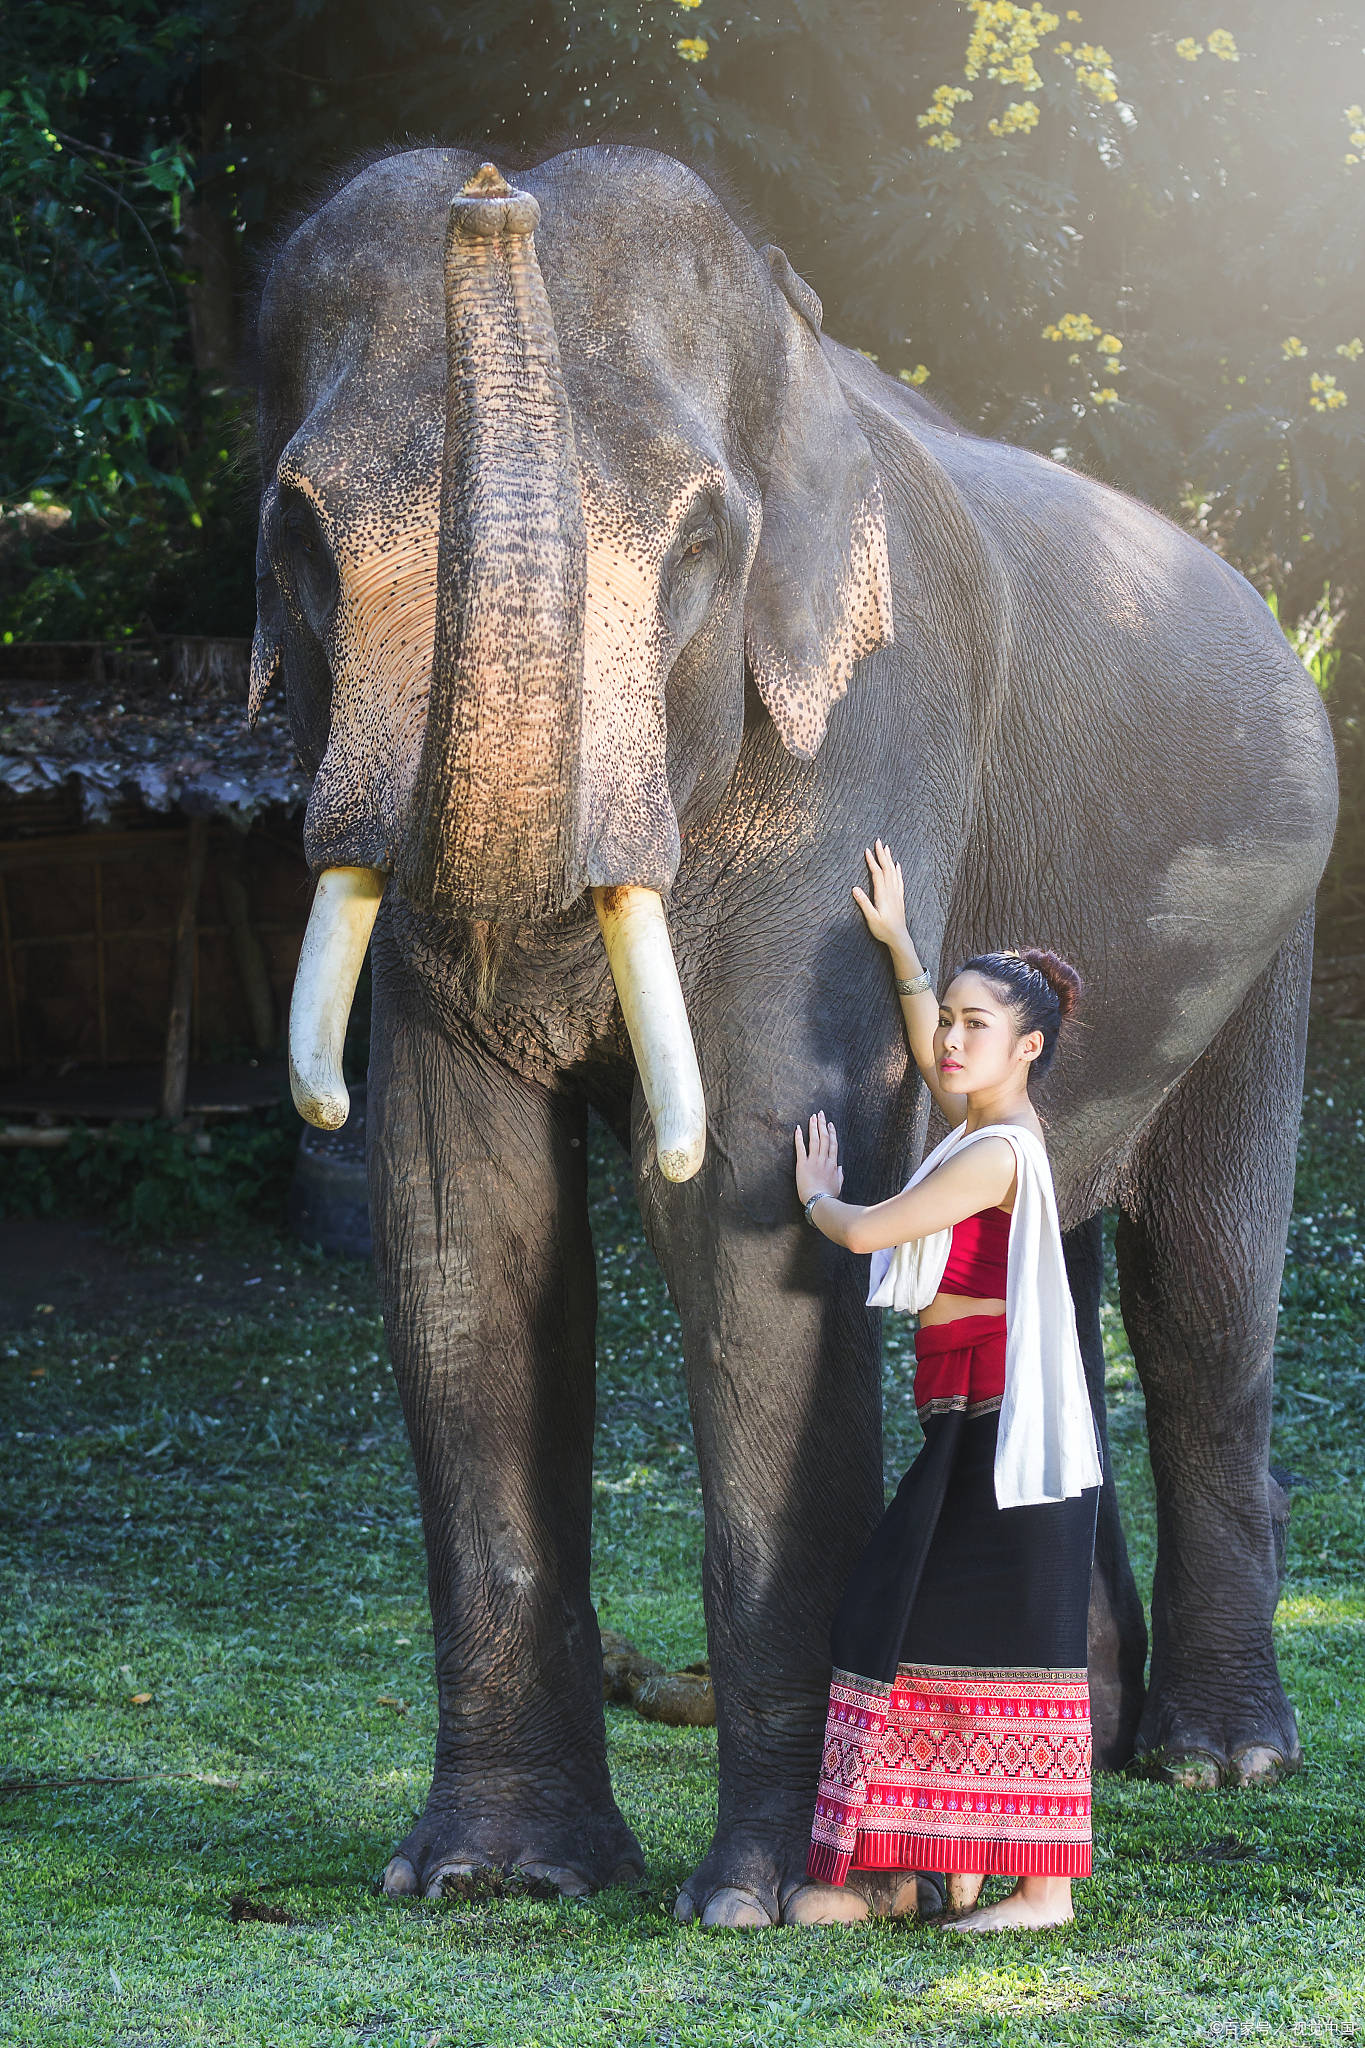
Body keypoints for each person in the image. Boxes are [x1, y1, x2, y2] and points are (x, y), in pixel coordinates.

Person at [789, 841, 1103, 1932]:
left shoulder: (998, 1150)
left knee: (994, 1630)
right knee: (934, 1624)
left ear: (1027, 1046)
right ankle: (958, 1864)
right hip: (969, 1417)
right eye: (952, 1018)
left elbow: (873, 1230)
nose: (954, 1038)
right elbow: (933, 1060)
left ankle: (1043, 1890)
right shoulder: (979, 1119)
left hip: (1005, 1426)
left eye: (978, 1024)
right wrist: (902, 944)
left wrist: (822, 1197)